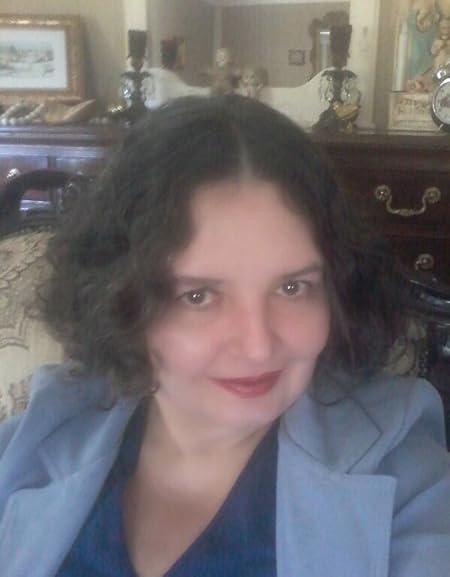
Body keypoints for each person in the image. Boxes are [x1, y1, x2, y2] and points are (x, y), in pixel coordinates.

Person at [0, 95, 449, 577]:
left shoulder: (405, 475)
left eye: (293, 288)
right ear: (122, 300)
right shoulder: (37, 437)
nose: (258, 347)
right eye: (198, 296)